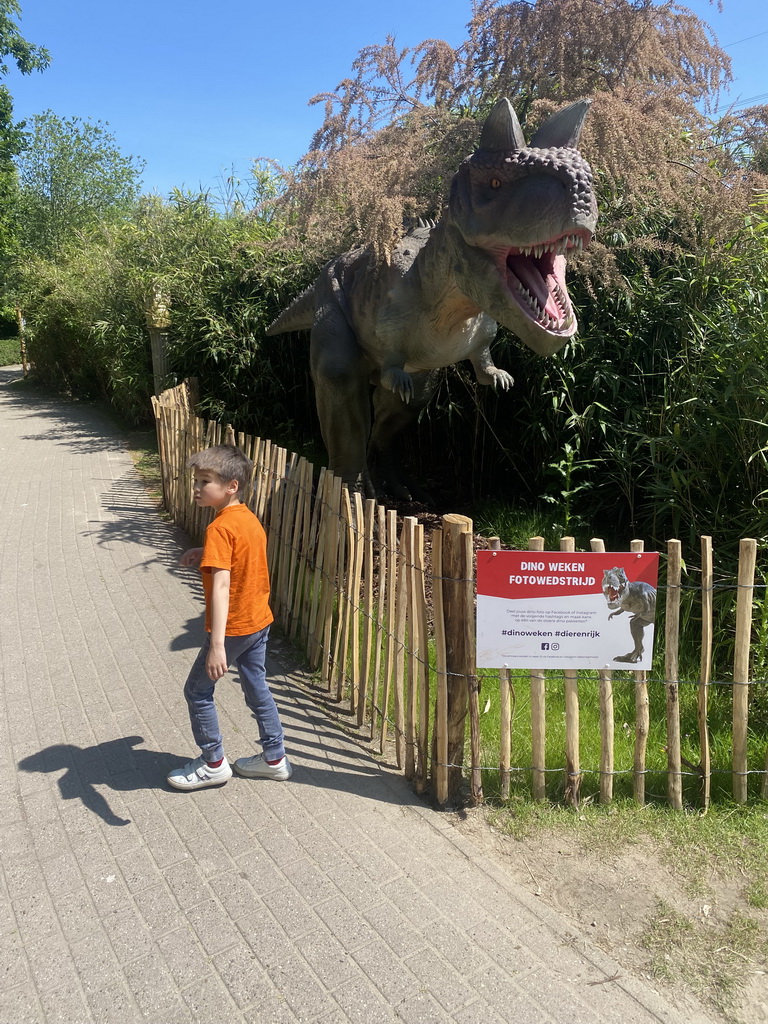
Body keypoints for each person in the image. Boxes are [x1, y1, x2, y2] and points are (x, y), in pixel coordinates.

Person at [167, 444, 292, 790]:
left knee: (197, 692)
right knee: (256, 687)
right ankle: (275, 758)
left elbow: (221, 588)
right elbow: (241, 560)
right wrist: (204, 554)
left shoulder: (219, 529)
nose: (196, 488)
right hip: (259, 620)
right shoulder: (246, 519)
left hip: (234, 627)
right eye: (196, 480)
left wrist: (217, 646)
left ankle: (213, 763)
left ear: (231, 485)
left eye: (204, 481)